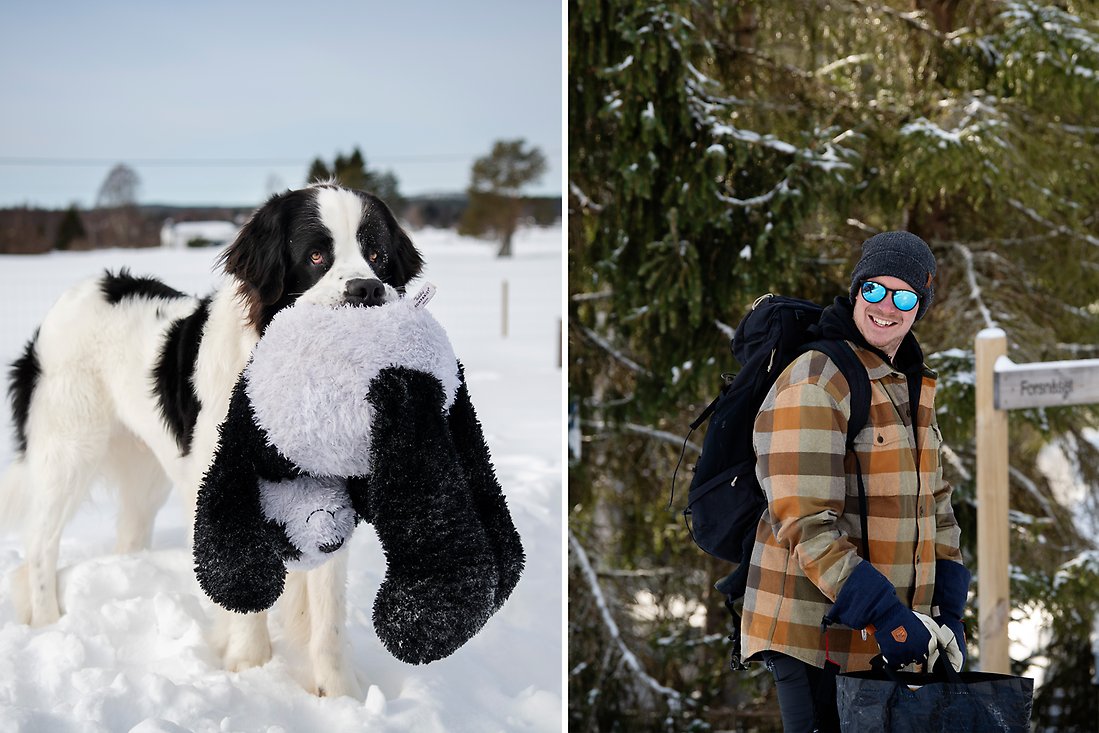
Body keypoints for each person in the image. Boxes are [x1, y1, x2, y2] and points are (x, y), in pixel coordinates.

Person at [738, 231, 972, 732]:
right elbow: (804, 520)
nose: (887, 306)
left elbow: (936, 500)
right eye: (875, 290)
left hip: (887, 632)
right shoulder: (818, 378)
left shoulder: (908, 381)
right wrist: (884, 613)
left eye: (905, 296)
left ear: (920, 307)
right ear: (856, 289)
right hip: (814, 635)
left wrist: (949, 608)